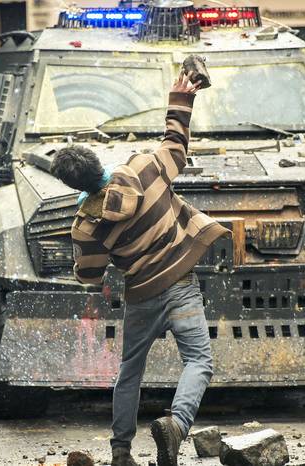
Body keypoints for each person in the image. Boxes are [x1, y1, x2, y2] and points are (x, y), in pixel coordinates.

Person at [50, 71, 228, 466]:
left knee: (130, 370)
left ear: (70, 184)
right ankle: (177, 426)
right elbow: (176, 145)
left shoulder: (84, 224)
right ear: (97, 160)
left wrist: (86, 229)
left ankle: (121, 452)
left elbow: (90, 276)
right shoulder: (144, 169)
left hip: (141, 295)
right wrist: (179, 99)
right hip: (181, 284)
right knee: (199, 361)